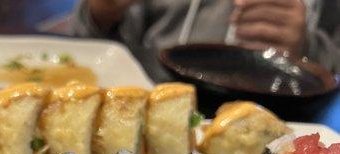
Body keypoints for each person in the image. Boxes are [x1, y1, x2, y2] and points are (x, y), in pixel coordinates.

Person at [73, 0, 340, 73]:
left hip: (289, 114)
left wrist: (307, 47)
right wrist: (101, 13)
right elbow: (87, 37)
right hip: (157, 97)